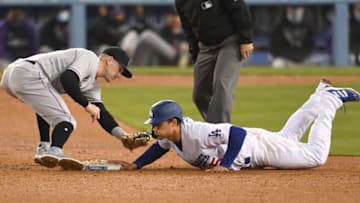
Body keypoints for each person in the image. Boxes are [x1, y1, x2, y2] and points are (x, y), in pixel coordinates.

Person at [119, 79, 359, 171]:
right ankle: (320, 94)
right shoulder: (169, 136)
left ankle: (329, 100)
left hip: (258, 149)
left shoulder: (197, 132)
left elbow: (235, 132)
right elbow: (158, 147)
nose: (154, 130)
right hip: (256, 147)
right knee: (289, 136)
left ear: (173, 122)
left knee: (315, 156)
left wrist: (225, 165)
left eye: (158, 124)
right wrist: (136, 164)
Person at [0, 46, 136, 169]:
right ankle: (55, 151)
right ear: (109, 60)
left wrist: (123, 136)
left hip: (14, 75)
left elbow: (101, 113)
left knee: (48, 108)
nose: (119, 75)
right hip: (28, 73)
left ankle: (44, 148)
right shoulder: (89, 58)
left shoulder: (92, 85)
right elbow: (68, 78)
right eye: (120, 69)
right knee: (67, 121)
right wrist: (86, 104)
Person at [175, 0, 254, 123]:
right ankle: (215, 127)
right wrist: (196, 56)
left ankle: (221, 133)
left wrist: (246, 39)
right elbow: (189, 30)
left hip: (230, 42)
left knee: (222, 84)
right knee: (199, 95)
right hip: (205, 47)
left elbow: (239, 7)